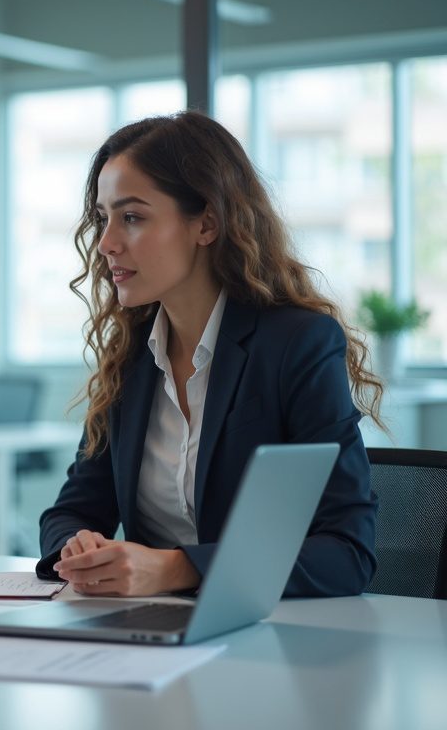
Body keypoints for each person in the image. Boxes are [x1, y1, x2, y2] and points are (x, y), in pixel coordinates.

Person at [38, 111, 380, 599]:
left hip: (269, 631)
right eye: (102, 219)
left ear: (207, 224)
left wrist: (179, 569)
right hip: (145, 628)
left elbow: (347, 551)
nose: (107, 243)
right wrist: (79, 546)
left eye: (131, 217)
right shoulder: (131, 356)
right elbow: (71, 511)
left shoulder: (297, 344)